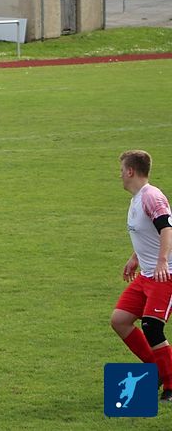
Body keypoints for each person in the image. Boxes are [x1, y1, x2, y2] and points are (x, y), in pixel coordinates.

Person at [111, 149, 172, 403]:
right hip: (147, 274)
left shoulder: (151, 196)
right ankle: (155, 368)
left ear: (130, 171)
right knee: (120, 320)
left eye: (121, 170)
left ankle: (170, 384)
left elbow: (167, 228)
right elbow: (148, 233)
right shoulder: (137, 199)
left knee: (152, 327)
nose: (119, 175)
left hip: (164, 275)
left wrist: (161, 261)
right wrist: (135, 257)